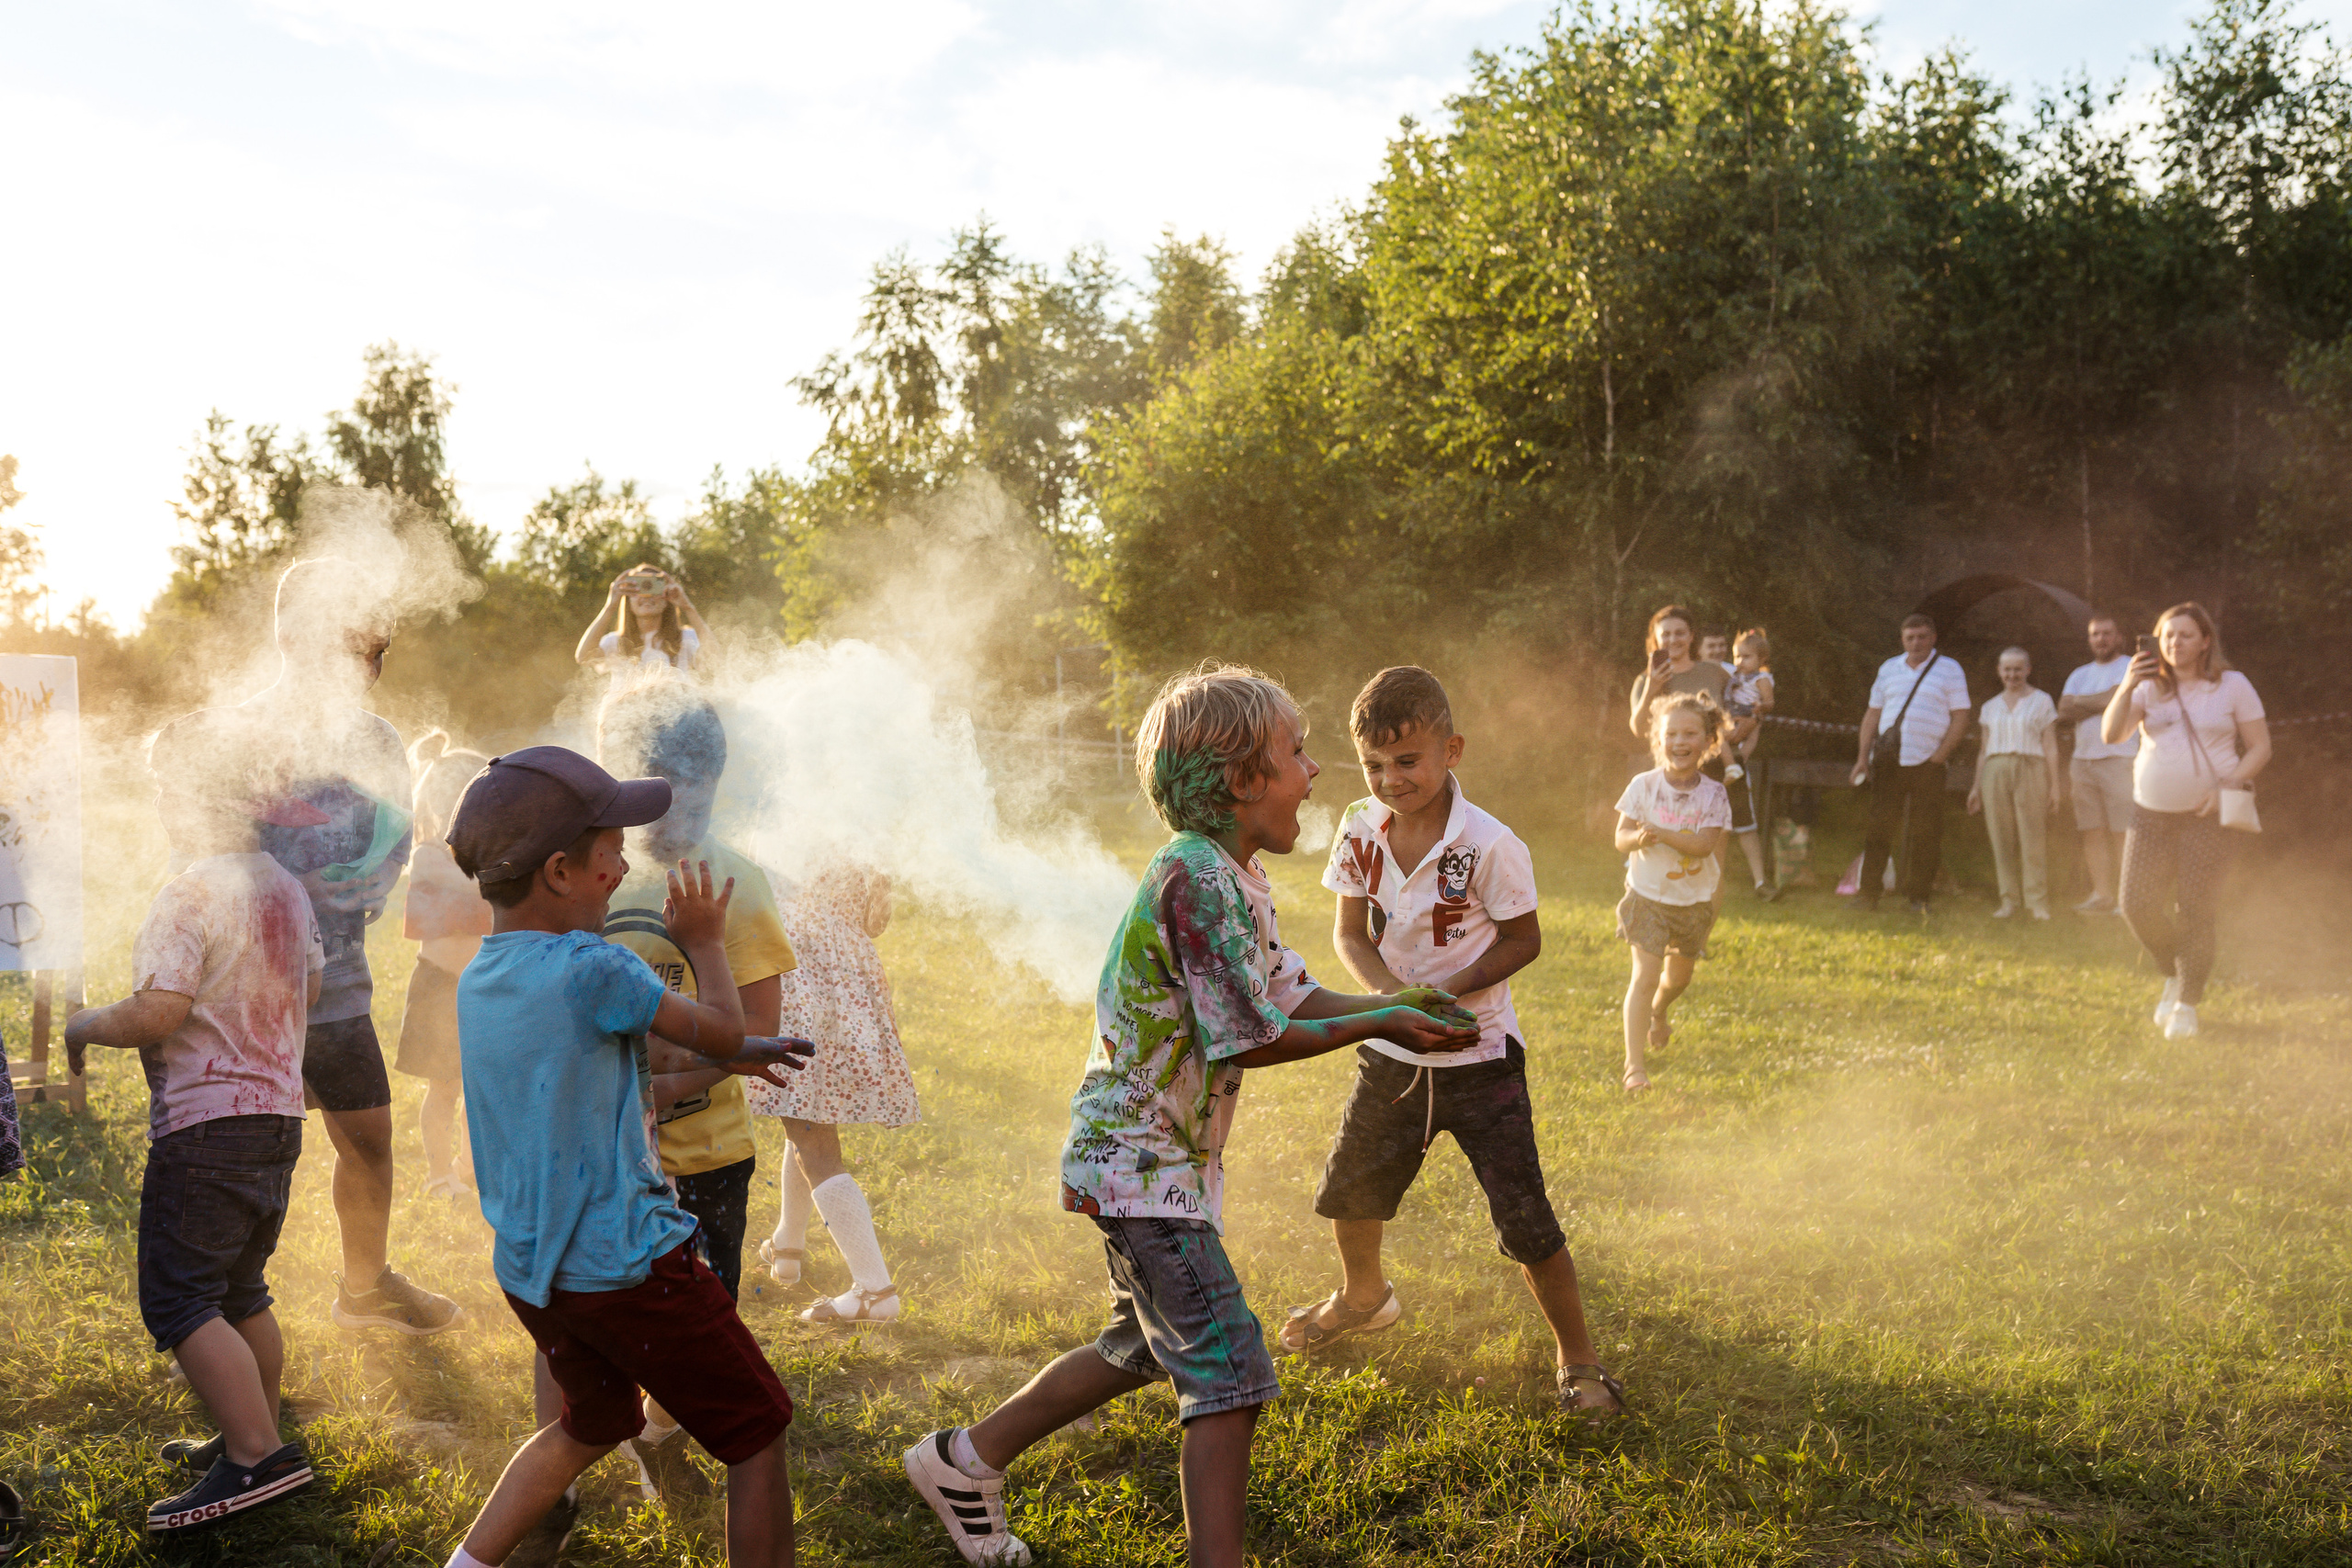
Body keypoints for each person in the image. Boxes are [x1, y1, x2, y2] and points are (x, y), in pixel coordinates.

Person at [901, 664, 1481, 1568]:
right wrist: (1379, 1019)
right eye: (1296, 753)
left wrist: (1393, 1004)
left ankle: (962, 1459)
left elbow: (1292, 992)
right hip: (1142, 1171)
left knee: (1142, 1344)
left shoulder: (1233, 877)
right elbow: (1247, 1034)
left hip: (1157, 1167)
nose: (1316, 771)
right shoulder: (1195, 879)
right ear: (1244, 781)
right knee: (1230, 1373)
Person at [440, 746, 812, 1568]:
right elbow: (714, 1023)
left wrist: (739, 1052)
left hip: (538, 1270)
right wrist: (703, 940)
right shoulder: (596, 965)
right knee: (758, 1433)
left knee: (589, 1422)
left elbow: (621, 1069)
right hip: (633, 1263)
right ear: (562, 870)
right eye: (612, 847)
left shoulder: (486, 975)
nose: (625, 862)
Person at [1281, 667, 1624, 1420]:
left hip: (1480, 1058)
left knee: (1527, 1218)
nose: (1390, 779)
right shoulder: (1357, 828)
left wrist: (1453, 988)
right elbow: (1347, 931)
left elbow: (1524, 939)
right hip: (1392, 1053)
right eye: (1374, 764)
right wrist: (1386, 1000)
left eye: (1408, 761)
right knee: (1350, 1191)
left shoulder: (1493, 843)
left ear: (1452, 750)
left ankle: (1578, 1357)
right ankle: (1362, 1296)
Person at [64, 710, 323, 1533]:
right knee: (241, 1287)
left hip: (206, 1126)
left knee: (179, 1296)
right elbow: (307, 989)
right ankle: (257, 1428)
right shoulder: (285, 887)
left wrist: (85, 1024)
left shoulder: (188, 891)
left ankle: (255, 1455)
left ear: (187, 799)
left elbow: (158, 1010)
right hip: (279, 1117)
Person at [591, 683, 797, 1501]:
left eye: (697, 794)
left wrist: (669, 1080)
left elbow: (756, 1038)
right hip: (606, 1155)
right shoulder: (591, 878)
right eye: (657, 797)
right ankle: (610, 1432)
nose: (677, 817)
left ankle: (656, 1431)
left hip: (709, 1154)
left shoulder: (736, 882)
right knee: (616, 1312)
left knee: (709, 1325)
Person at [243, 558, 459, 1334]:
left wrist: (375, 881)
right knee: (251, 1158)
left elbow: (395, 838)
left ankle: (364, 1288)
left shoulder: (378, 737)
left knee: (368, 1141)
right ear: (293, 635)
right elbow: (203, 855)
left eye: (374, 652)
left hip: (338, 984)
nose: (364, 668)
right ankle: (227, 1310)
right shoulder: (243, 735)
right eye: (350, 646)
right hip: (248, 994)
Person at [745, 858, 921, 1325]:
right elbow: (876, 922)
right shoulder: (857, 814)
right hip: (848, 978)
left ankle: (875, 1292)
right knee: (806, 1115)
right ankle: (788, 1246)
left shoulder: (771, 811)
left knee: (813, 1137)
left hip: (789, 969)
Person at [2100, 603, 2271, 1040]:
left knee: (2195, 910)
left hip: (2207, 817)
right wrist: (2125, 686)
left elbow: (2260, 748)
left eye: (2186, 635)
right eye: (2168, 635)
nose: (2175, 643)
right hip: (2150, 813)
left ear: (2206, 641)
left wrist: (2226, 787)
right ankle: (2171, 971)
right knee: (2135, 904)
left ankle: (2186, 1005)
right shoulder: (2146, 687)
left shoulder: (2231, 685)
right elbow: (2112, 735)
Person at [1613, 694, 1732, 1093]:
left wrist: (1659, 833)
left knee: (1677, 980)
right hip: (1646, 897)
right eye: (1671, 733)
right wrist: (1637, 838)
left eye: (1690, 733)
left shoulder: (1714, 794)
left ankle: (1659, 1013)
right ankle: (1634, 1069)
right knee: (1644, 977)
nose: (1680, 741)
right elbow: (1621, 837)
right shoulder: (1642, 786)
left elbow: (1702, 846)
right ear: (1657, 740)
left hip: (1692, 904)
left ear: (1708, 741)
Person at [396, 731, 492, 1199]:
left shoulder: (487, 856)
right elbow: (459, 904)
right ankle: (440, 1175)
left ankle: (469, 1170)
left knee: (480, 1089)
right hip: (441, 987)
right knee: (444, 1087)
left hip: (483, 984)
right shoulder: (429, 855)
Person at [1849, 613, 1972, 914]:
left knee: (1926, 832)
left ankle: (1918, 898)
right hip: (1889, 761)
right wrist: (1863, 758)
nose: (1916, 643)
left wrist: (1938, 757)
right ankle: (1868, 895)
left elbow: (1961, 717)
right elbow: (1872, 715)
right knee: (1879, 828)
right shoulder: (1888, 669)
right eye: (1910, 637)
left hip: (1928, 763)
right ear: (1902, 640)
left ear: (1933, 638)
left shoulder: (1949, 669)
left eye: (1922, 637)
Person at [1965, 648, 2065, 919]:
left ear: (2028, 670)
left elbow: (2050, 746)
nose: (2013, 675)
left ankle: (2037, 902)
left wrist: (2055, 786)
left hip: (2031, 767)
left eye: (2018, 669)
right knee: (2001, 836)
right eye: (2007, 670)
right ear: (1999, 671)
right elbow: (1984, 750)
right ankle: (2009, 900)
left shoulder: (2042, 701)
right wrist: (1976, 787)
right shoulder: (1990, 707)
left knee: (2032, 836)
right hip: (1995, 770)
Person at [2058, 615, 2138, 913]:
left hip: (2120, 758)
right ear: (2089, 639)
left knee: (2123, 832)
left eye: (2107, 633)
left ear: (2118, 637)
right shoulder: (2080, 673)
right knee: (2092, 831)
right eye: (2095, 634)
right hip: (2083, 761)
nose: (2101, 639)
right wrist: (2104, 700)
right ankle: (2102, 895)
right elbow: (2063, 710)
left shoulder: (2130, 666)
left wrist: (2086, 702)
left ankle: (2126, 898)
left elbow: (2115, 699)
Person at [574, 564, 710, 682]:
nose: (647, 596)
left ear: (667, 598)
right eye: (638, 588)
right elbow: (584, 657)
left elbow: (716, 661)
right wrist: (610, 606)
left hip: (677, 709)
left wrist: (687, 607)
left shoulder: (686, 638)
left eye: (653, 587)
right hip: (625, 710)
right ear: (627, 599)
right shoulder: (615, 642)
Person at [1721, 628, 1777, 899]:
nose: (1740, 661)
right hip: (1729, 720)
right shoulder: (1731, 675)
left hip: (1747, 716)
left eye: (1746, 656)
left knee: (1744, 814)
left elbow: (1769, 703)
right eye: (1736, 656)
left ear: (1761, 658)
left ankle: (1760, 881)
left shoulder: (1762, 678)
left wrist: (1759, 711)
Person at [1627, 604, 1727, 742]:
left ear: (1691, 636)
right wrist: (1651, 689)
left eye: (1679, 633)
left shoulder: (1714, 672)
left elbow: (1746, 700)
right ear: (1656, 639)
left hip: (1716, 759)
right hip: (1672, 759)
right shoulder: (1645, 681)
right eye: (1666, 635)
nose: (1673, 640)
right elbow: (1638, 730)